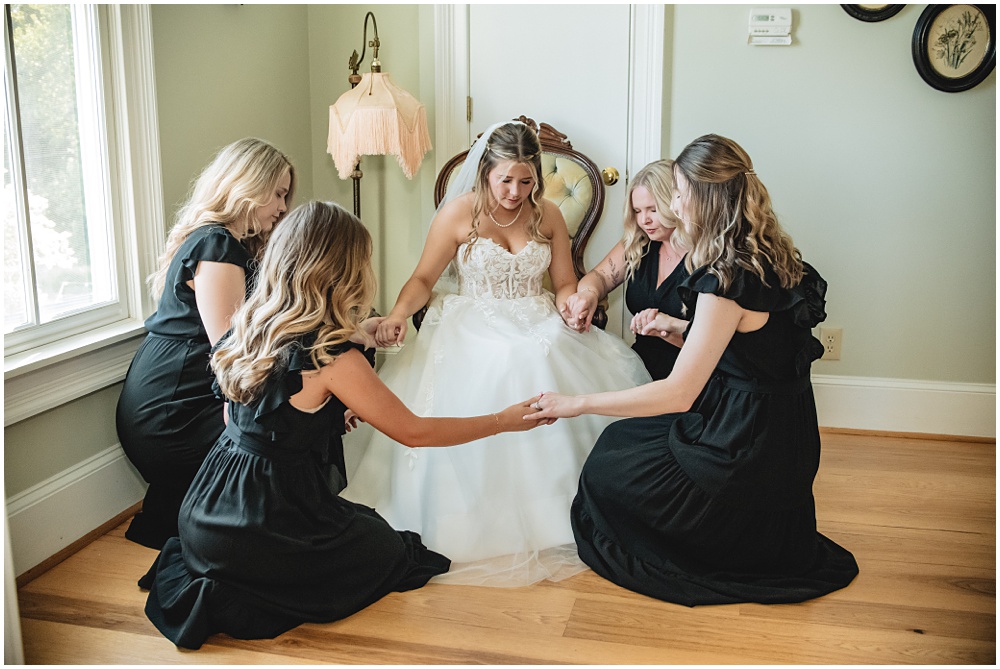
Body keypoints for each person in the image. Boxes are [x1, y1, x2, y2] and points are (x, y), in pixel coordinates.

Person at [139, 201, 545, 650]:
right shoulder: (332, 357)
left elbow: (243, 417)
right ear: (344, 271)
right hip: (261, 522)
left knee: (363, 525)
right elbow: (415, 432)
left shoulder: (250, 324)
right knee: (390, 549)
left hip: (205, 511)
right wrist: (501, 420)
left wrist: (322, 416)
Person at [529, 134, 859, 605]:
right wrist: (677, 332)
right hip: (788, 436)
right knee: (629, 442)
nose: (674, 204)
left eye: (679, 192)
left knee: (607, 467)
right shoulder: (771, 252)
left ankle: (718, 535)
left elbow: (678, 395)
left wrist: (574, 403)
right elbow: (750, 349)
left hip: (748, 445)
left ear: (702, 199)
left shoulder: (724, 277)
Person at [341, 121, 651, 587]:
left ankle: (562, 510)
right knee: (507, 360)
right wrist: (399, 315)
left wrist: (573, 304)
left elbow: (565, 282)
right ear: (486, 171)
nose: (515, 191)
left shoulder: (547, 215)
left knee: (539, 356)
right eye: (506, 179)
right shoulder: (459, 215)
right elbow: (423, 279)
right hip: (472, 321)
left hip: (538, 318)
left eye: (526, 181)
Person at [116, 138, 294, 549]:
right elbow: (230, 348)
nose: (284, 207)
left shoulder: (226, 243)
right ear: (248, 185)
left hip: (181, 396)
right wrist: (240, 409)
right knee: (282, 413)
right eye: (278, 193)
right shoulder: (216, 245)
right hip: (170, 412)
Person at [563, 159, 690, 380]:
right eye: (637, 211)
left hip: (689, 372)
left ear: (676, 203)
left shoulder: (706, 254)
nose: (644, 220)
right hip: (640, 367)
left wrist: (670, 327)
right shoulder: (638, 243)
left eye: (653, 209)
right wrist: (588, 295)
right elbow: (600, 277)